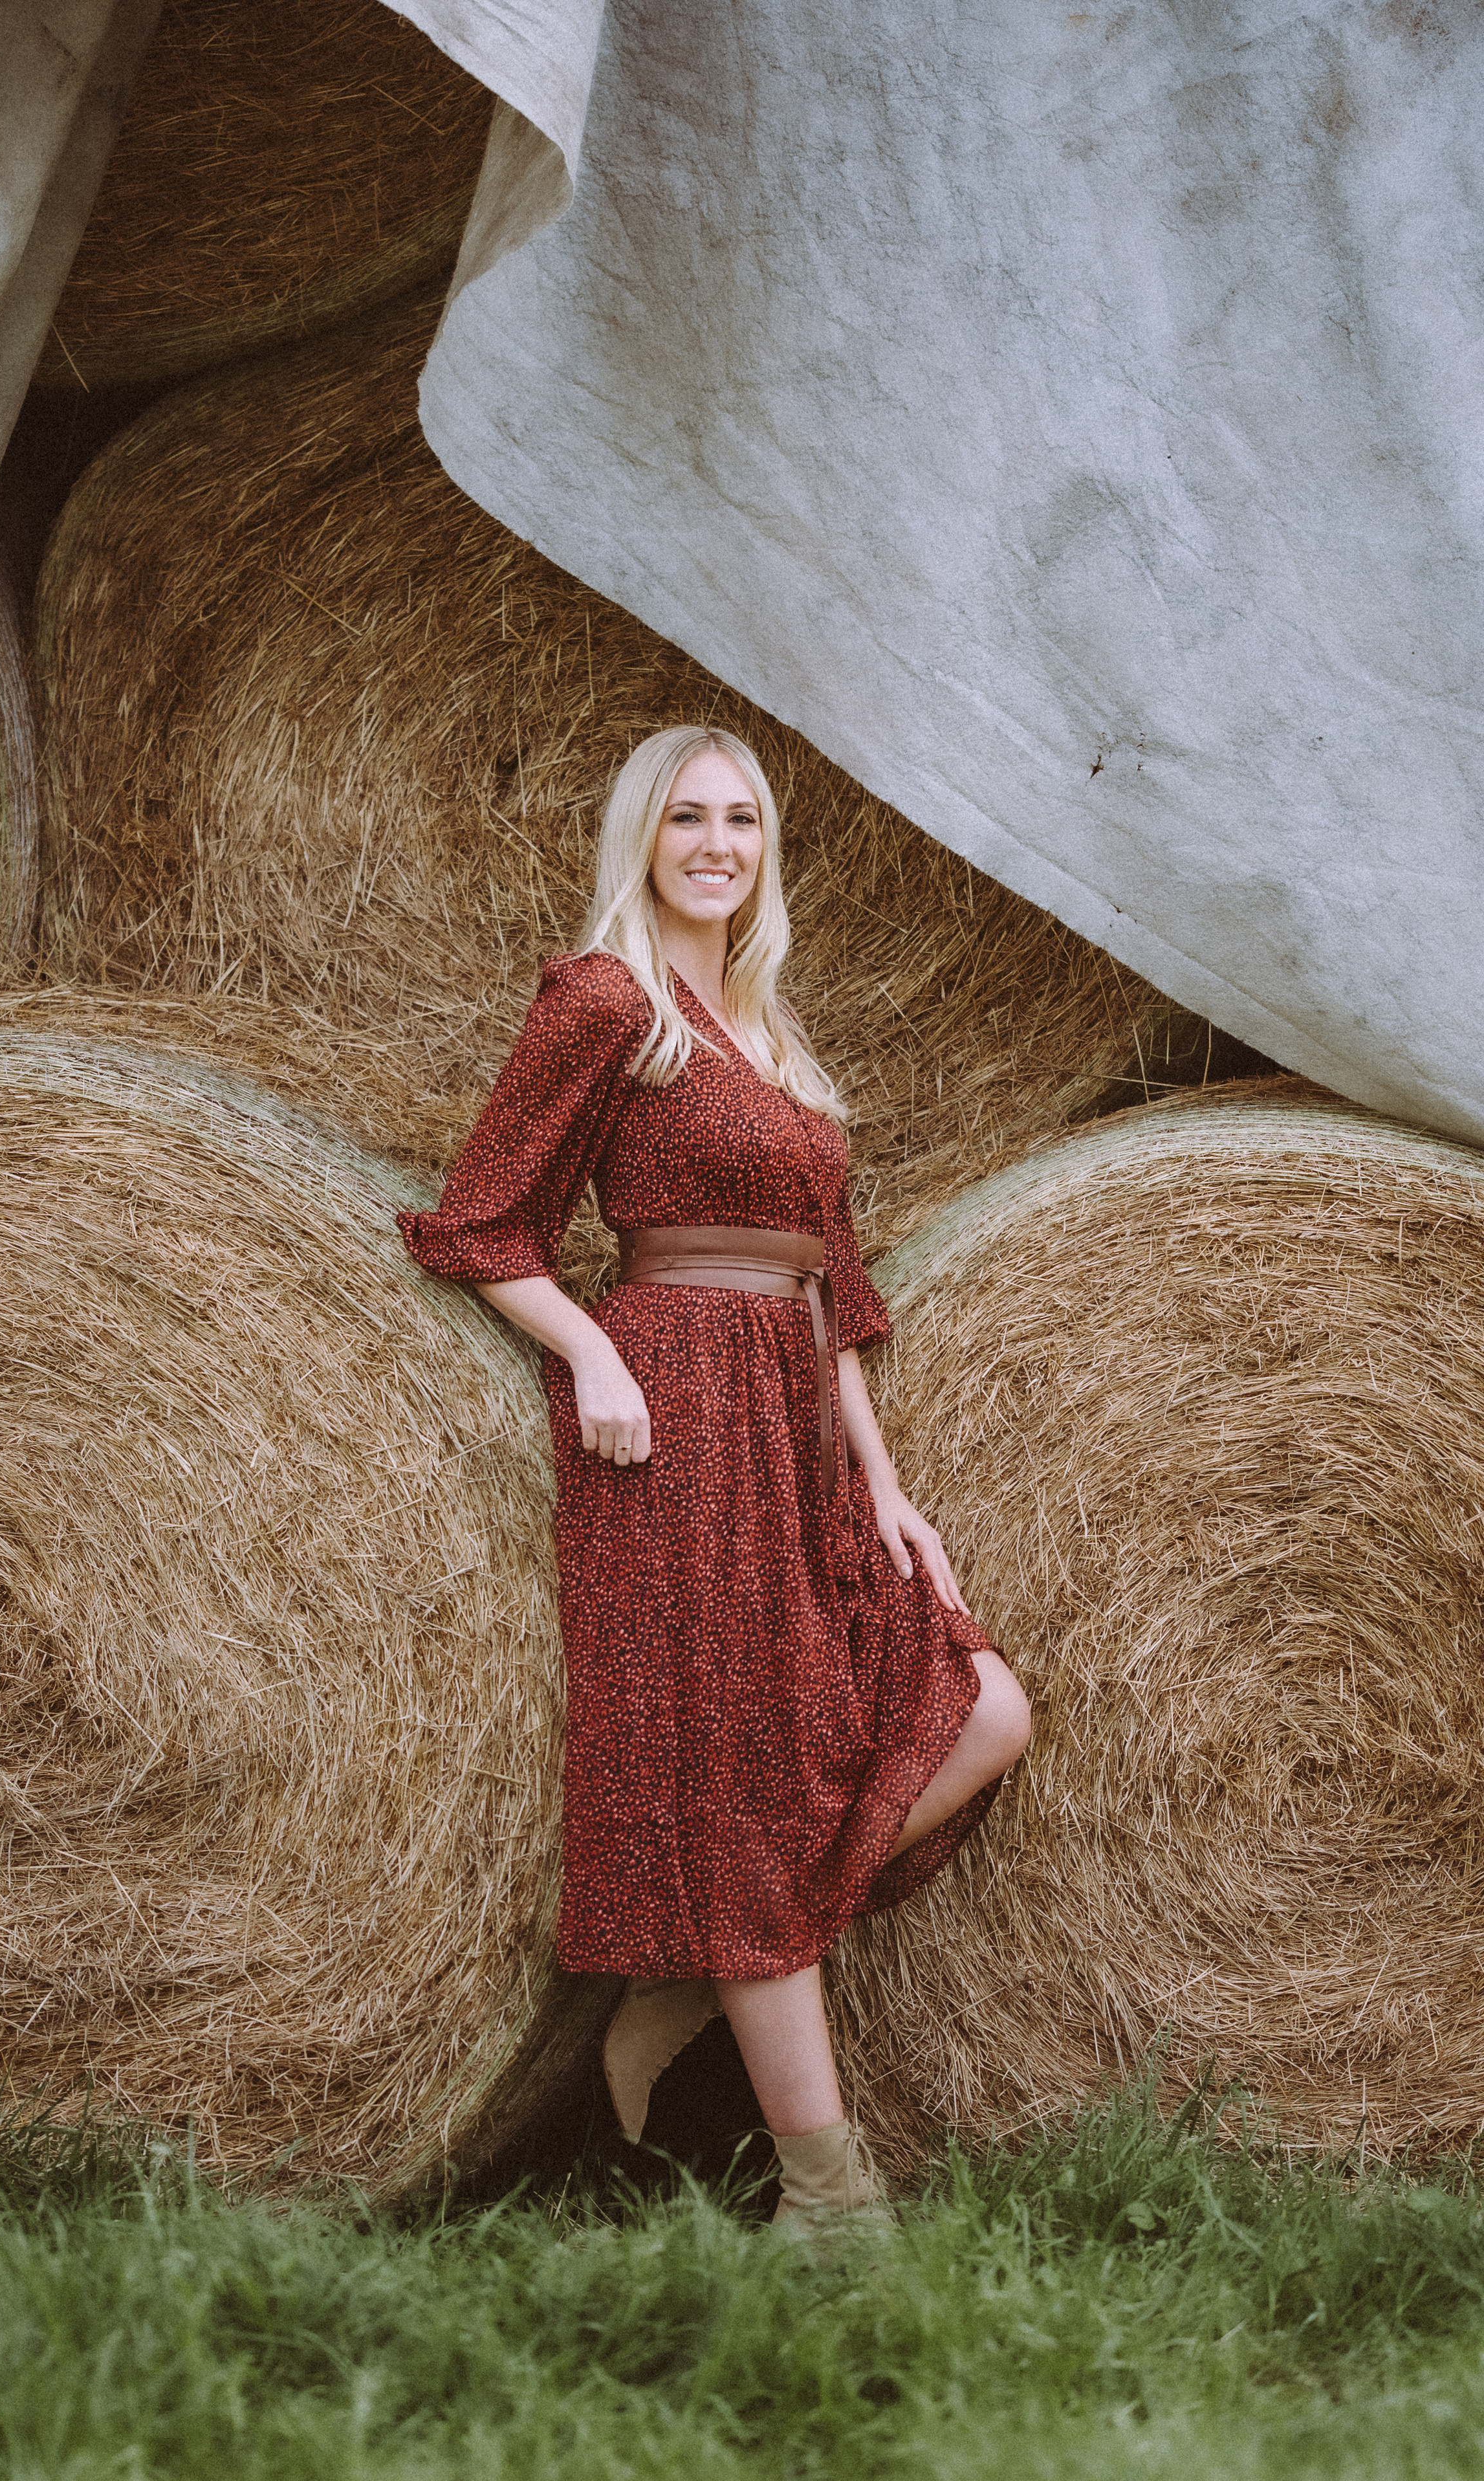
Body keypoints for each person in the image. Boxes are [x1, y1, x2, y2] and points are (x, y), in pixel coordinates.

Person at [398, 724, 1031, 2232]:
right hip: (673, 1413)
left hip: (793, 1421)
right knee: (747, 1782)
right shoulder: (605, 1000)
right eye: (686, 817)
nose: (714, 844)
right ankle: (830, 2199)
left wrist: (882, 1486)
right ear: (643, 837)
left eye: (740, 820)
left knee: (985, 1709)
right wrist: (593, 1358)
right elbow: (486, 1223)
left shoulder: (763, 1029)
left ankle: (688, 1985)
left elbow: (838, 1293)